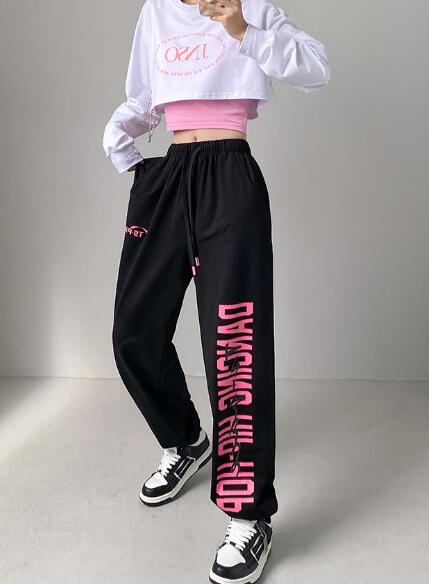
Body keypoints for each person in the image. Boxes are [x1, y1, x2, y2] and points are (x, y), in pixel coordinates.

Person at [102, 0, 330, 581]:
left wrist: (242, 30)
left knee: (235, 345)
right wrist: (121, 137)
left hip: (229, 173)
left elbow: (315, 68)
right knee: (134, 332)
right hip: (170, 173)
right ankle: (186, 441)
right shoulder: (156, 11)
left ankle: (249, 516)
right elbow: (143, 96)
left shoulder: (249, 7)